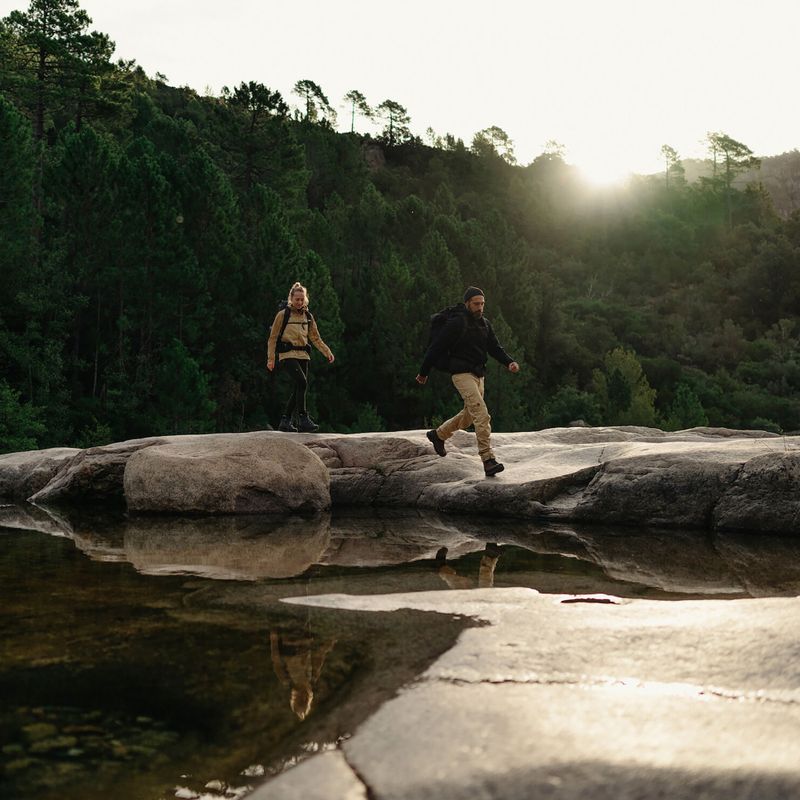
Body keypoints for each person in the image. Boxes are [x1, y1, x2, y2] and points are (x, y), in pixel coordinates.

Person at [416, 286, 520, 476]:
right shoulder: (457, 323)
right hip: (461, 374)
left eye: (482, 304)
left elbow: (494, 347)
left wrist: (509, 362)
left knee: (468, 416)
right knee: (481, 415)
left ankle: (438, 435)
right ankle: (488, 460)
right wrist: (424, 373)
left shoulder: (485, 324)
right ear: (467, 303)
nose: (480, 307)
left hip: (479, 375)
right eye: (476, 304)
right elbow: (436, 347)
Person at [267, 282, 334, 433]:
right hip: (287, 354)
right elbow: (273, 338)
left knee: (299, 387)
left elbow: (315, 338)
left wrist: (327, 352)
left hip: (303, 355)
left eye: (302, 299)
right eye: (297, 299)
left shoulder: (308, 316)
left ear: (305, 299)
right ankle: (303, 418)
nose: (299, 302)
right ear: (291, 298)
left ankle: (285, 420)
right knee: (302, 382)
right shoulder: (283, 315)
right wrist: (271, 359)